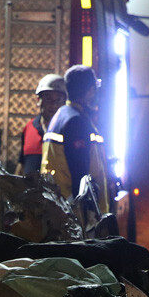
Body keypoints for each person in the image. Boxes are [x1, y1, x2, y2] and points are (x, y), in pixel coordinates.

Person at [41, 65, 111, 215]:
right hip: (75, 213)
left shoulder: (61, 116)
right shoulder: (76, 122)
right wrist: (88, 214)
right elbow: (81, 176)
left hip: (60, 207)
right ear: (90, 90)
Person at [20, 73, 67, 174]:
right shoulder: (29, 128)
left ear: (64, 102)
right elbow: (22, 165)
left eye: (58, 100)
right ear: (38, 100)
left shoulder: (68, 131)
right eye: (48, 98)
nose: (53, 104)